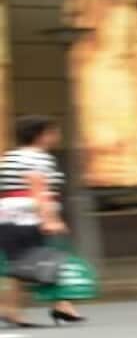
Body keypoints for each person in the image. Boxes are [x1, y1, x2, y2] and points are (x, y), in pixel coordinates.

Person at [0, 115, 85, 327]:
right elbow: (38, 188)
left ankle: (56, 305)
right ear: (41, 135)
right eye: (53, 132)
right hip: (29, 219)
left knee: (20, 263)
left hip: (8, 219)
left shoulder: (10, 157)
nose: (56, 136)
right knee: (47, 260)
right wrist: (50, 219)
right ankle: (59, 304)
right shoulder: (38, 157)